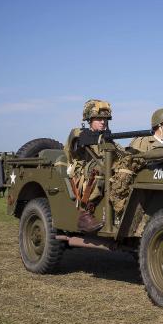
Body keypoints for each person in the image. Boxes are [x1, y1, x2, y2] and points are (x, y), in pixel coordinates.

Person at [66, 99, 122, 233]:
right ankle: (85, 214)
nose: (103, 122)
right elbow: (75, 140)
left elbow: (121, 153)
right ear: (89, 119)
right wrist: (95, 138)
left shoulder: (107, 139)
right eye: (99, 118)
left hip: (99, 171)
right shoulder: (80, 134)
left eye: (106, 119)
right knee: (99, 170)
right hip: (83, 175)